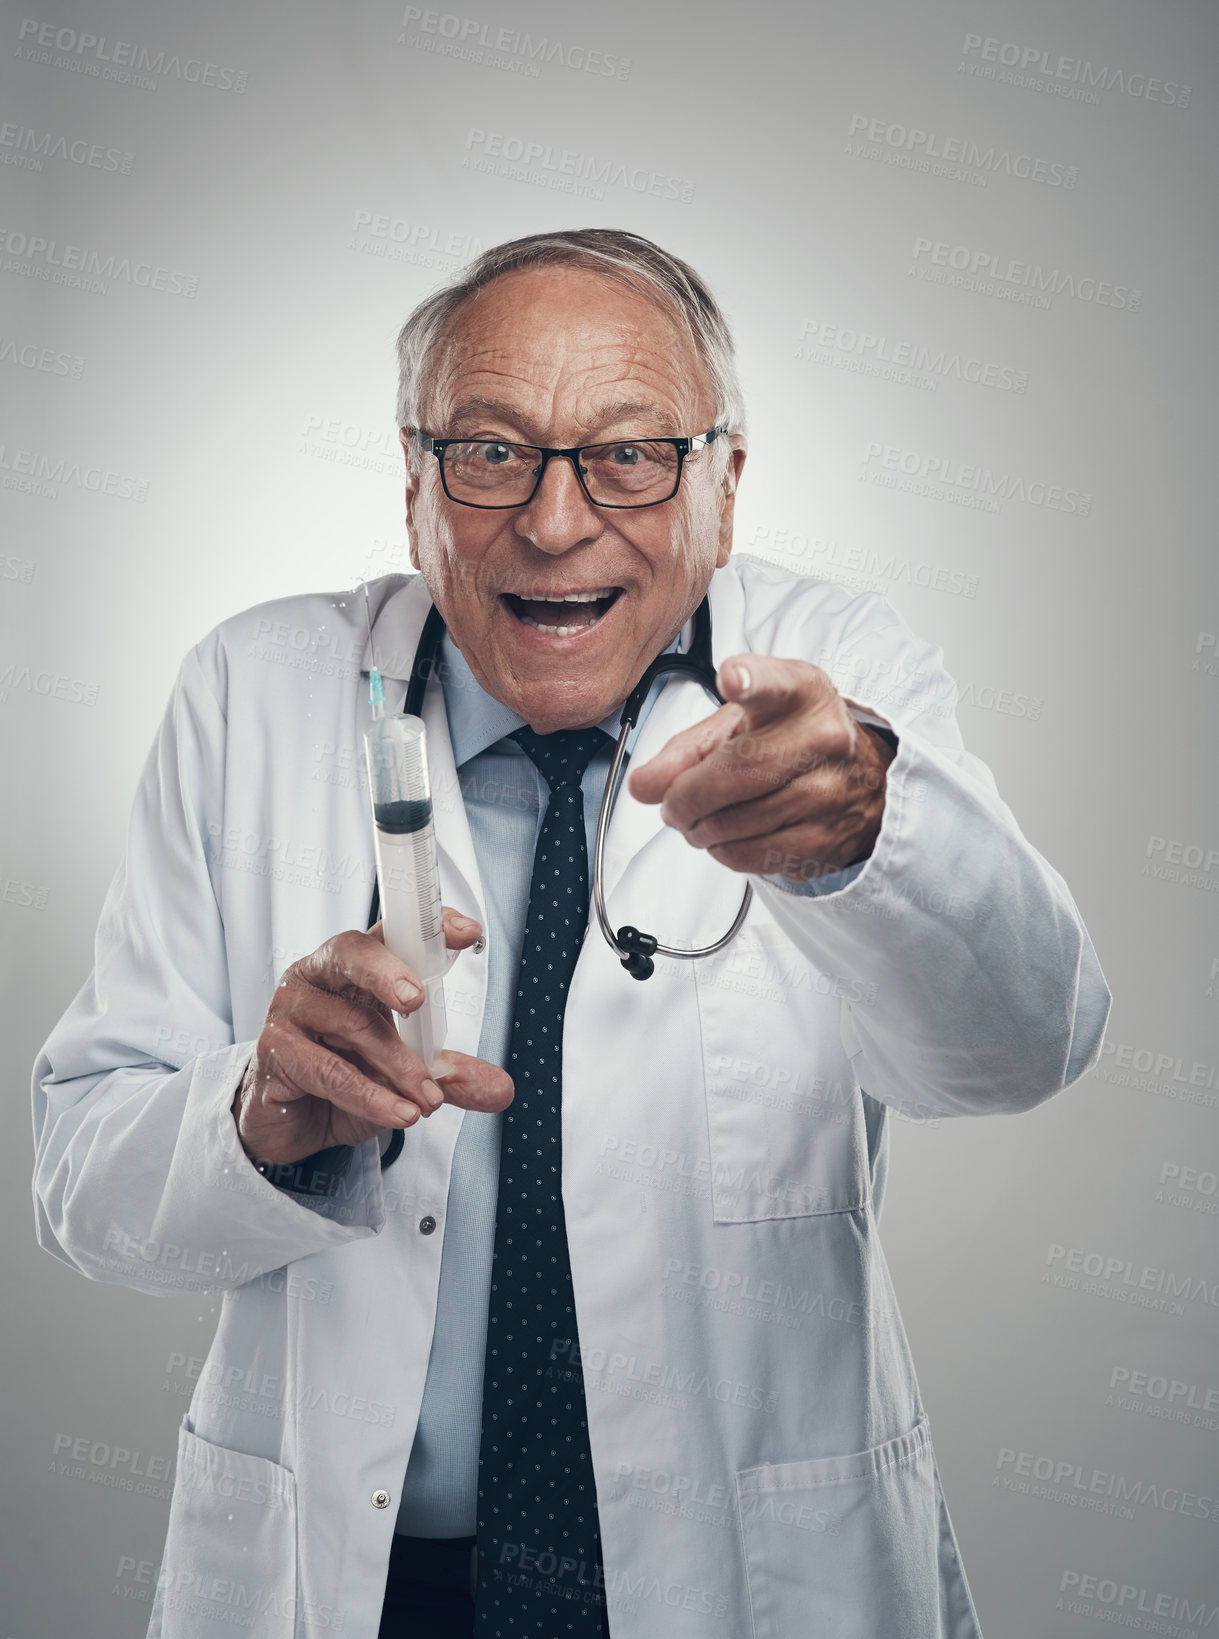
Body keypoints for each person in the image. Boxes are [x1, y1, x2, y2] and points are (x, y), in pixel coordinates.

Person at [32, 228, 1110, 1639]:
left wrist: (866, 837)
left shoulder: (836, 680)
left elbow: (1025, 1045)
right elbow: (85, 1186)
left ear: (725, 481)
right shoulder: (255, 690)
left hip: (743, 1578)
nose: (551, 522)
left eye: (628, 455)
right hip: (364, 1589)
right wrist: (253, 1113)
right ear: (413, 482)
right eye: (489, 453)